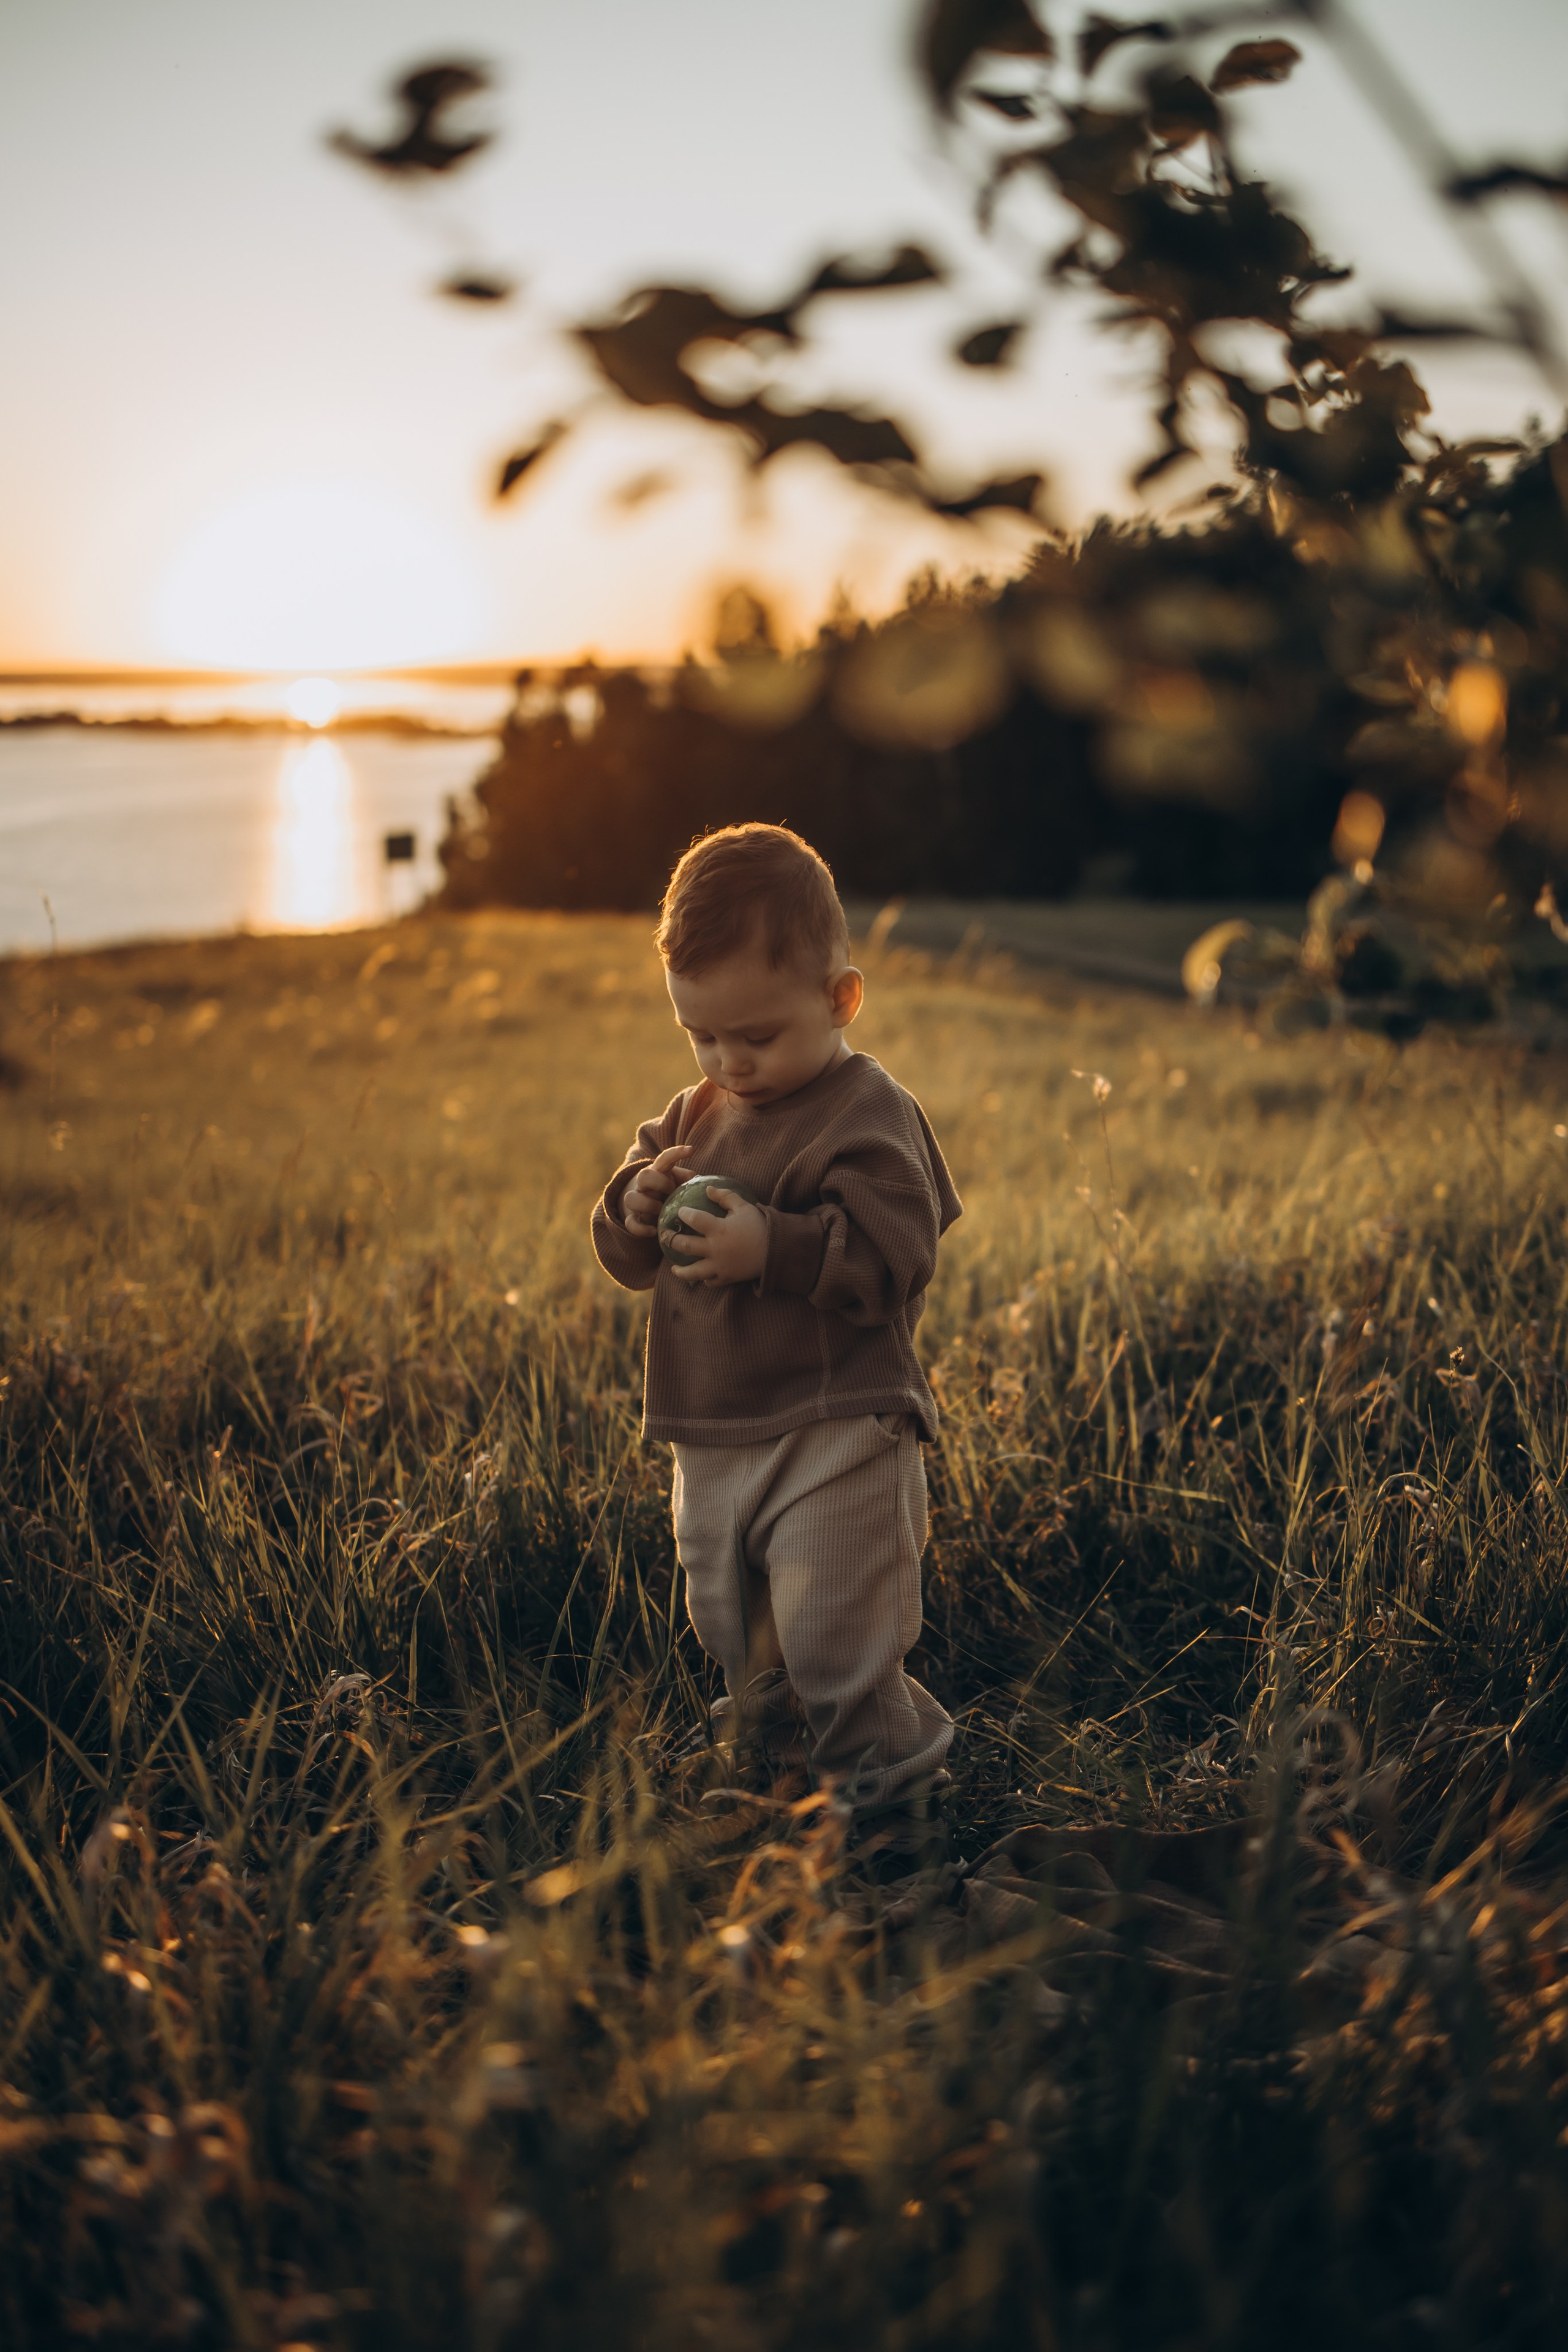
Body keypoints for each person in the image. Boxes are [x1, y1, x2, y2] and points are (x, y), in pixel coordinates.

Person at [590, 823, 962, 1874]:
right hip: (711, 1435)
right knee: (737, 1630)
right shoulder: (691, 1116)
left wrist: (776, 1248)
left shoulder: (869, 1112)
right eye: (701, 1036)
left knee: (836, 1640)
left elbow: (899, 1252)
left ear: (840, 999)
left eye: (754, 1035)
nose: (727, 1063)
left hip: (840, 1432)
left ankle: (889, 1808)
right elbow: (621, 1250)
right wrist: (638, 1198)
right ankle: (784, 1777)